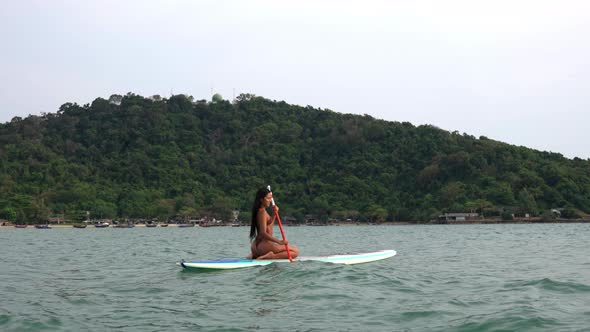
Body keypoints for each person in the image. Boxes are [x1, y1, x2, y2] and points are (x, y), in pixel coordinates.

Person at [249, 187, 299, 260]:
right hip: (264, 246)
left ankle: (254, 255)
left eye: (270, 198)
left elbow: (269, 223)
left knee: (291, 250)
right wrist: (279, 242)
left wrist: (274, 213)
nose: (269, 201)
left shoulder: (260, 211)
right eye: (268, 198)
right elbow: (263, 233)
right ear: (261, 199)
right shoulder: (262, 212)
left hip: (256, 246)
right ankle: (271, 256)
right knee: (295, 251)